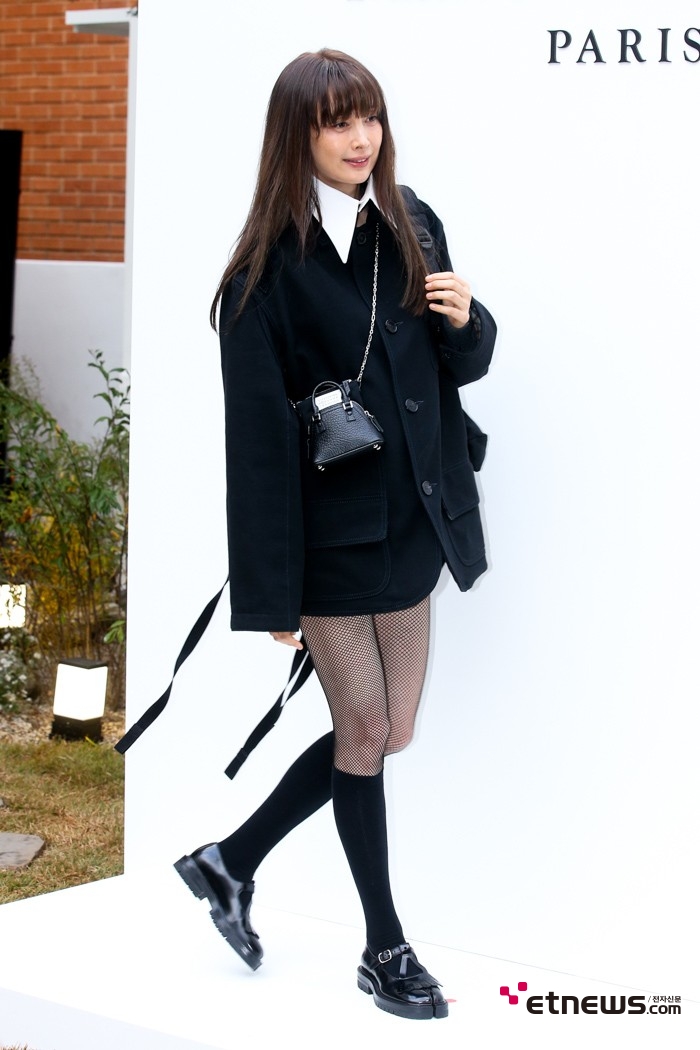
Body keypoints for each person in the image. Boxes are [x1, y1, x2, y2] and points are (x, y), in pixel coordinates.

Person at [174, 48, 496, 1022]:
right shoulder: (262, 275)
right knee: (361, 730)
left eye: (370, 117)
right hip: (327, 544)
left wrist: (468, 320)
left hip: (416, 519)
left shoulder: (411, 220)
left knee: (393, 731)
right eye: (337, 122)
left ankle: (229, 861)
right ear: (296, 136)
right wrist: (272, 595)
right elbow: (255, 453)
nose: (361, 139)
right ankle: (383, 947)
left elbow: (460, 367)